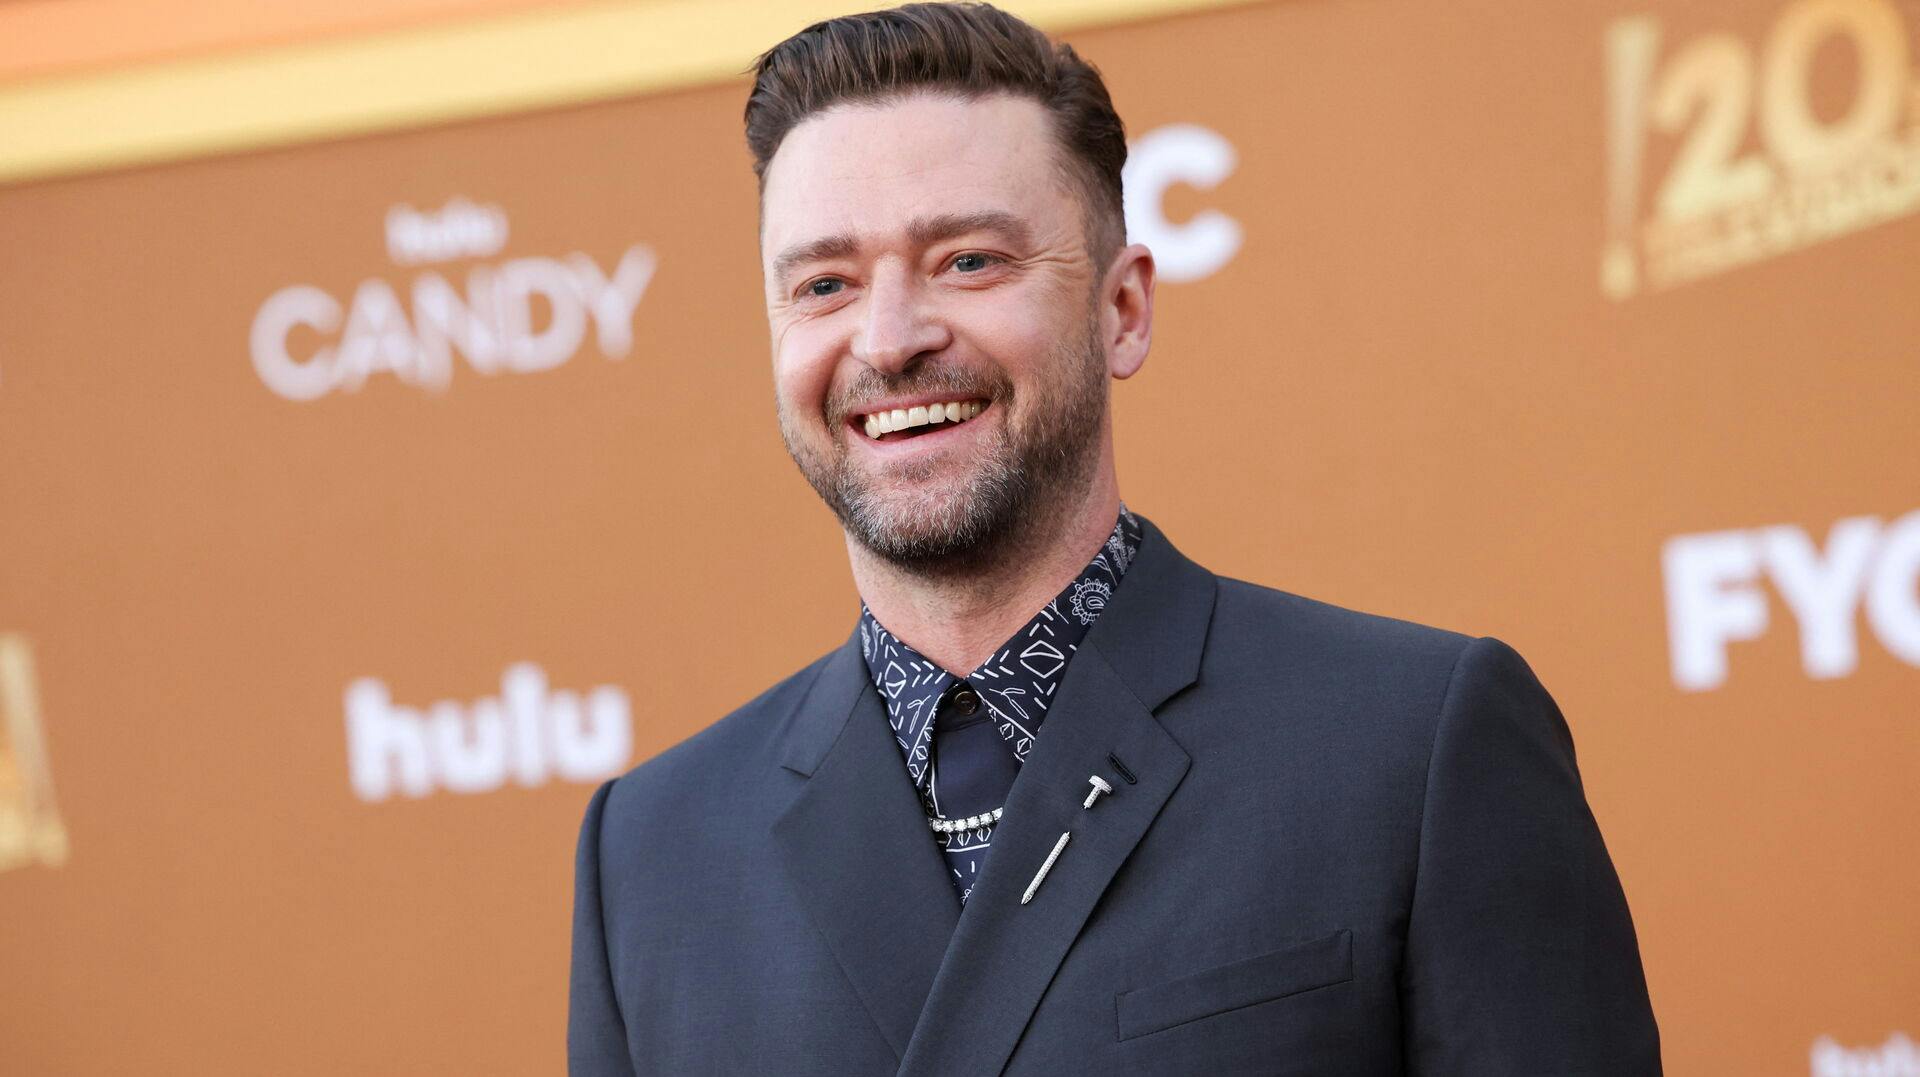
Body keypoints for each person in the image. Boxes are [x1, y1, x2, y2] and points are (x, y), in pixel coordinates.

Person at [567, 4, 1662, 1074]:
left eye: (969, 261)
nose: (890, 339)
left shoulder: (1414, 748)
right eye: (824, 285)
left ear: (1123, 309)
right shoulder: (653, 854)